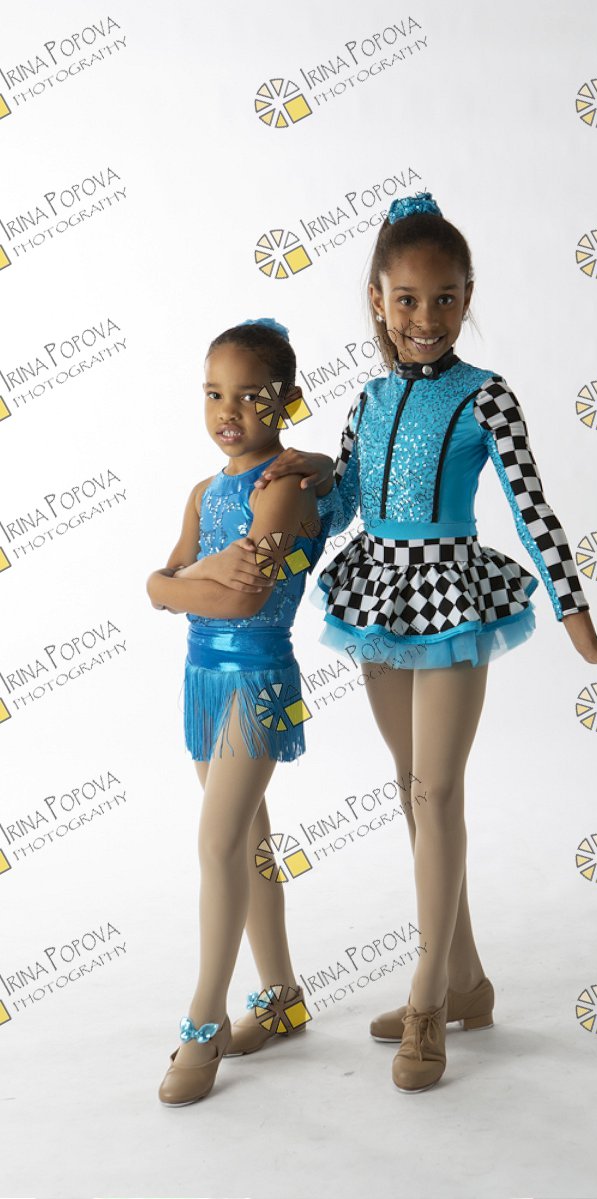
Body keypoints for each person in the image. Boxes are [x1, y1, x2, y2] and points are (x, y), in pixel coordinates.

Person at [239, 193, 597, 1093]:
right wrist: (311, 472)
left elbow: (533, 510)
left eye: (445, 298)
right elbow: (348, 503)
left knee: (437, 793)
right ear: (377, 300)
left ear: (467, 297)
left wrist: (585, 632)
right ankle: (469, 980)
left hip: (451, 598)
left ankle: (429, 995)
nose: (426, 318)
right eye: (406, 299)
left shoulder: (487, 395)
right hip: (379, 597)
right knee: (413, 791)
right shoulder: (367, 397)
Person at [145, 318, 330, 1106]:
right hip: (202, 679)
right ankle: (282, 996)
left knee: (218, 843)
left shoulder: (284, 484)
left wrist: (183, 584)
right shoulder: (203, 492)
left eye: (250, 396)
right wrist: (183, 580)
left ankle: (205, 1018)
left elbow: (245, 596)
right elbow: (160, 581)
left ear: (288, 399)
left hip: (259, 679)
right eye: (214, 394)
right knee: (249, 843)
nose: (229, 411)